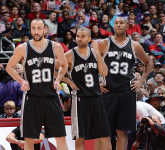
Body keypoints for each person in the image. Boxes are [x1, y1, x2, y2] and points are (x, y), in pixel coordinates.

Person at [6, 19, 68, 150]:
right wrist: (21, 81)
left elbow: (64, 65)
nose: (36, 31)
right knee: (29, 138)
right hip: (32, 98)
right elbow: (9, 67)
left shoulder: (55, 46)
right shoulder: (23, 48)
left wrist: (58, 80)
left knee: (60, 136)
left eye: (39, 28)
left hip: (51, 97)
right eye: (33, 28)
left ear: (45, 29)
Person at [96, 17, 153, 150]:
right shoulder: (104, 43)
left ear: (127, 26)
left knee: (122, 132)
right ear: (113, 26)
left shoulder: (135, 45)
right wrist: (95, 82)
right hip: (108, 91)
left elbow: (148, 63)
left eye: (122, 23)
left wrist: (141, 81)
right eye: (116, 23)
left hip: (127, 92)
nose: (119, 25)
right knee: (105, 132)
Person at [64, 27, 111, 150]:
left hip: (96, 98)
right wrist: (68, 81)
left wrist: (98, 54)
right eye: (78, 36)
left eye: (83, 36)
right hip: (80, 100)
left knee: (103, 135)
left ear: (89, 38)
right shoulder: (70, 55)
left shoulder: (95, 53)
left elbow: (104, 73)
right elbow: (53, 68)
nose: (79, 38)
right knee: (80, 137)